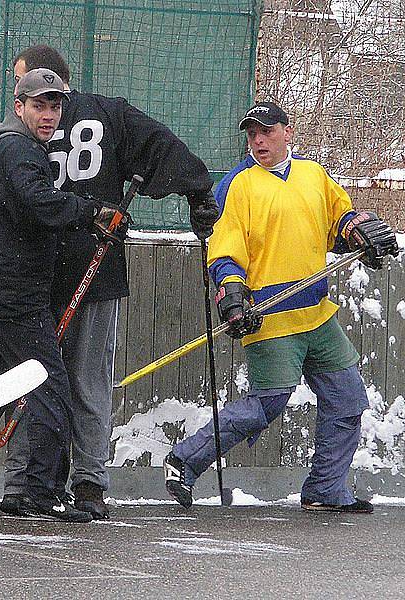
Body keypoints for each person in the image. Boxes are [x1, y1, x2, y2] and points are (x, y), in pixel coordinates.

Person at [0, 46, 218, 519]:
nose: (24, 94)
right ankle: (62, 480)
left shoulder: (24, 129)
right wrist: (196, 189)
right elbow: (165, 146)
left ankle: (57, 480)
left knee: (43, 379)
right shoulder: (103, 115)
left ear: (55, 84)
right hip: (53, 269)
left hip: (55, 268)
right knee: (76, 380)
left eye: (29, 82)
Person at [163, 101, 400, 512]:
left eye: (267, 131)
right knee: (266, 405)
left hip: (317, 314)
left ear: (287, 132)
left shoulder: (313, 175)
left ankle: (326, 490)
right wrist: (232, 293)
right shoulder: (238, 185)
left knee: (346, 400)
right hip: (271, 317)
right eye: (252, 134)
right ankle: (183, 460)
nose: (258, 140)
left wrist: (359, 232)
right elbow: (224, 251)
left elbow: (338, 223)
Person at [0, 68, 126, 522]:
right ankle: (39, 492)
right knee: (48, 384)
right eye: (39, 105)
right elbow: (40, 202)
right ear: (19, 107)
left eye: (55, 106)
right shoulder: (19, 149)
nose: (49, 115)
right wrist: (92, 211)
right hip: (10, 292)